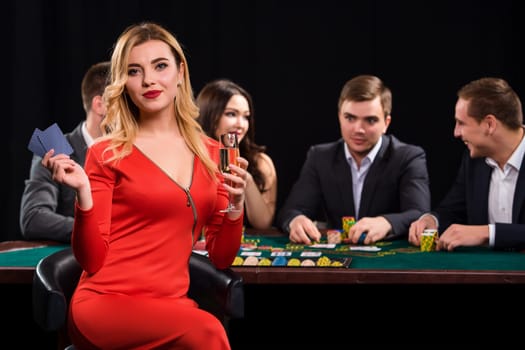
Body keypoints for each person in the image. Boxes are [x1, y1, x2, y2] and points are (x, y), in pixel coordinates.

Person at [41, 22, 247, 349]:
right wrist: (84, 194)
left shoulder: (217, 154)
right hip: (105, 302)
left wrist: (236, 205)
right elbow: (92, 261)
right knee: (207, 332)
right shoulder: (105, 152)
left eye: (160, 66)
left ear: (180, 72)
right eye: (134, 71)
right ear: (123, 84)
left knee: (203, 328)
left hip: (170, 305)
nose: (149, 80)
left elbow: (221, 256)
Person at [277, 74, 431, 244]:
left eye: (370, 120)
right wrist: (296, 220)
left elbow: (419, 214)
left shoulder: (408, 157)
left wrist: (386, 222)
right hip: (339, 259)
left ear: (386, 123)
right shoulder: (320, 157)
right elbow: (291, 210)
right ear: (339, 117)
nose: (358, 129)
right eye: (350, 118)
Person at [408, 77, 525, 252]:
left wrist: (488, 233)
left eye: (461, 123)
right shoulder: (473, 160)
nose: (456, 133)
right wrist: (432, 220)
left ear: (489, 124)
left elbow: (482, 233)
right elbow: (453, 209)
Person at [19, 61, 110, 243]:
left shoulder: (136, 149)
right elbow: (33, 218)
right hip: (75, 264)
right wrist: (95, 231)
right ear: (99, 105)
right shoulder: (53, 146)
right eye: (124, 102)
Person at [196, 79, 277, 229]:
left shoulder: (260, 162)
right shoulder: (189, 156)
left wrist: (247, 180)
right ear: (209, 114)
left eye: (246, 116)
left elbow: (263, 224)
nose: (241, 124)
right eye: (231, 114)